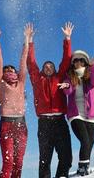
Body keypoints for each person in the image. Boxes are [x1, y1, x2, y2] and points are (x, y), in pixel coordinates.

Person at [27, 22, 73, 178]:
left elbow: (66, 60)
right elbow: (31, 63)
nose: (48, 68)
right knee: (44, 160)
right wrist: (30, 41)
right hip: (44, 124)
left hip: (60, 121)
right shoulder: (37, 79)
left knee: (66, 157)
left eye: (50, 66)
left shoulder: (59, 77)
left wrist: (67, 38)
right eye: (45, 66)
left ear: (54, 69)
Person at [0, 23, 32, 178]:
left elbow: (23, 61)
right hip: (6, 124)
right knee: (8, 161)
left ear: (15, 72)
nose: (8, 71)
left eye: (11, 70)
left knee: (19, 162)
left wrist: (26, 40)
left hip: (21, 124)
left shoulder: (21, 83)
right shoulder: (0, 84)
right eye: (6, 70)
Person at [58, 50, 94, 176]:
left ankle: (84, 167)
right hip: (76, 115)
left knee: (89, 144)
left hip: (92, 115)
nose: (78, 62)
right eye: (76, 60)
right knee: (85, 141)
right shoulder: (70, 76)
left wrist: (93, 66)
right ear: (73, 63)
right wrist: (66, 86)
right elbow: (68, 89)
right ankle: (82, 168)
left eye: (81, 60)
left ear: (85, 62)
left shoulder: (90, 74)